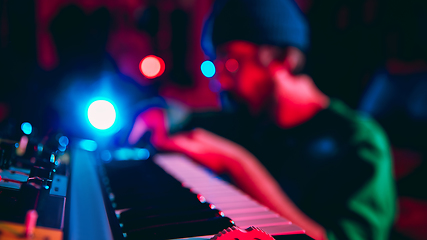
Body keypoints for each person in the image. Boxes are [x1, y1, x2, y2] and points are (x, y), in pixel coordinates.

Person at [128, 0, 396, 239]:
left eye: (232, 63)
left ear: (281, 60)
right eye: (215, 66)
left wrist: (237, 164)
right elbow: (183, 117)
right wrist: (161, 113)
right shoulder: (248, 121)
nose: (220, 83)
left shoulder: (359, 142)